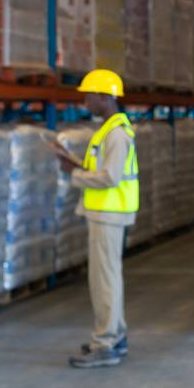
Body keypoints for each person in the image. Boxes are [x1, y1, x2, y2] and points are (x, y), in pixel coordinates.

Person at [55, 69, 139, 369]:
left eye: (89, 95)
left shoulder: (116, 133)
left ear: (105, 97)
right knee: (106, 278)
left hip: (109, 213)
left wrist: (73, 173)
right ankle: (115, 336)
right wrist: (77, 165)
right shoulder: (108, 129)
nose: (85, 101)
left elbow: (110, 177)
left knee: (104, 281)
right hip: (105, 213)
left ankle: (106, 343)